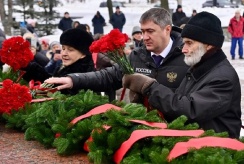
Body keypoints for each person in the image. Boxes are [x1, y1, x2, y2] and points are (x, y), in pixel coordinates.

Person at [122, 12, 242, 138]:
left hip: (218, 152)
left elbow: (188, 110)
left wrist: (149, 87)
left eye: (189, 43)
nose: (183, 49)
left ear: (209, 45)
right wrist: (146, 98)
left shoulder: (222, 77)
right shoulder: (197, 68)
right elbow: (178, 100)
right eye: (184, 43)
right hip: (197, 146)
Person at [44, 8, 188, 102]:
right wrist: (73, 80)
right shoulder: (137, 56)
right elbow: (109, 76)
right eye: (143, 31)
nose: (144, 37)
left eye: (150, 31)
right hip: (141, 127)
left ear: (167, 29)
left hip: (176, 130)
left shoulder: (188, 57)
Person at [23, 28, 96, 95]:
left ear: (83, 54)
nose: (64, 54)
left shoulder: (85, 75)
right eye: (63, 49)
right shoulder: (64, 67)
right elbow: (52, 82)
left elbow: (59, 90)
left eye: (70, 50)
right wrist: (30, 68)